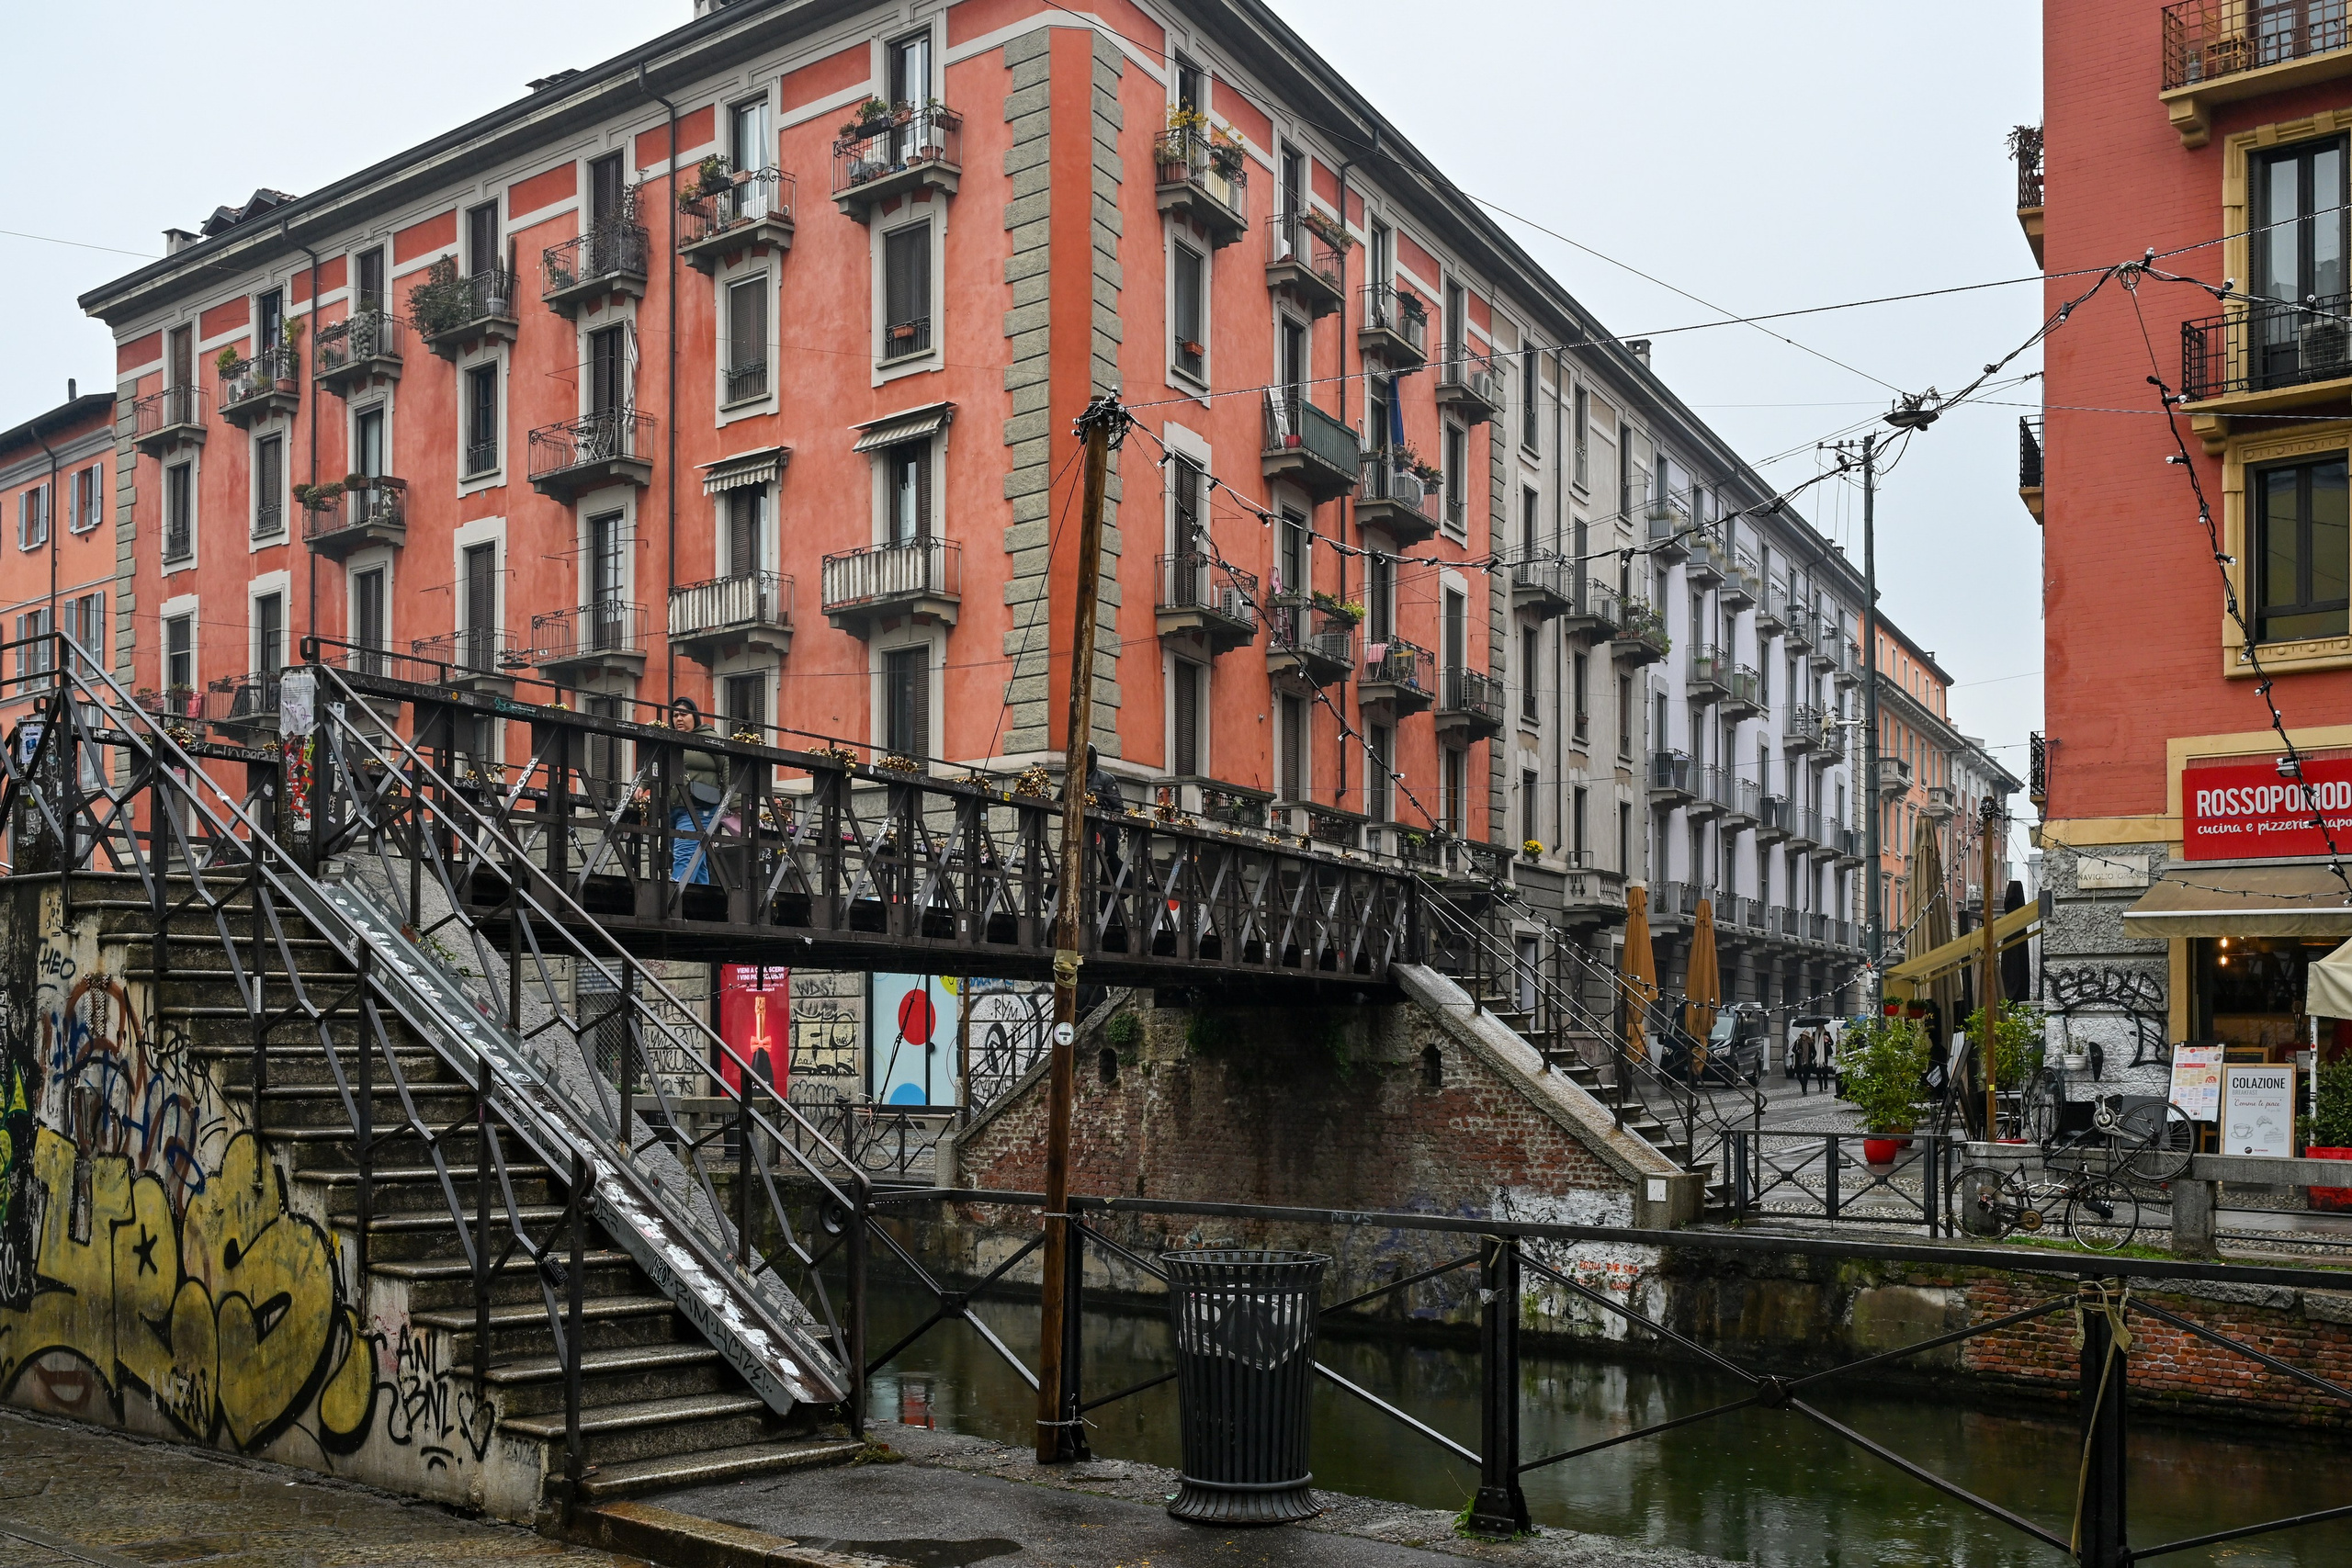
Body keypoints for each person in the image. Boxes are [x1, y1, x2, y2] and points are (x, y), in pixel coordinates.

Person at [668, 696, 724, 885]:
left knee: (685, 852)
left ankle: (675, 900)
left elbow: (729, 766)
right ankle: (704, 908)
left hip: (700, 807)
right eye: (675, 715)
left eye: (684, 714)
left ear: (695, 717)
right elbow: (656, 765)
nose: (679, 719)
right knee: (696, 859)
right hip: (675, 808)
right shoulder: (670, 740)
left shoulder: (709, 737)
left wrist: (735, 802)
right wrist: (642, 786)